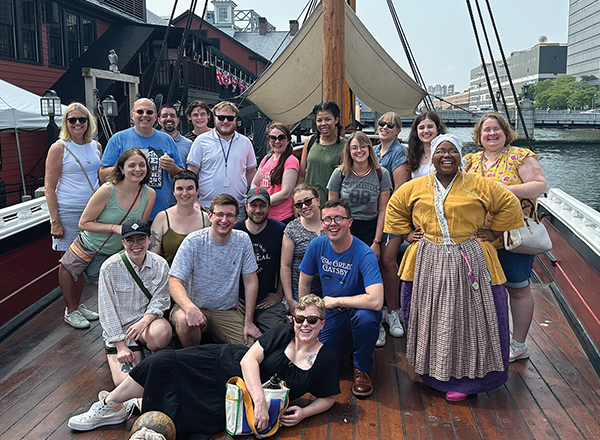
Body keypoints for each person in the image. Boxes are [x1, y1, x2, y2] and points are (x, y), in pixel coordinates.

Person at [67, 295, 340, 439]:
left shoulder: (325, 358)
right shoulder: (282, 333)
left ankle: (137, 406)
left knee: (193, 420)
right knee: (163, 361)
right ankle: (109, 406)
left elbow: (328, 397)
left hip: (237, 396)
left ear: (322, 324)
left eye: (312, 320)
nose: (305, 325)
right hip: (227, 364)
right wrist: (259, 402)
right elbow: (248, 360)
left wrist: (304, 412)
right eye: (300, 318)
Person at [384, 134, 524, 402]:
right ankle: (430, 373)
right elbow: (396, 208)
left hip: (468, 256)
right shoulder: (415, 186)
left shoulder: (478, 185)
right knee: (431, 317)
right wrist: (405, 234)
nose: (446, 156)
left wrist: (493, 232)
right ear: (432, 156)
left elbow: (509, 203)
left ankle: (467, 380)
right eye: (440, 151)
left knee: (467, 320)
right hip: (428, 259)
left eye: (452, 151)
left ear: (461, 156)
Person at [464, 112, 547, 362]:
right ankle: (488, 340)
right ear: (479, 136)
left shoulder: (520, 156)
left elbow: (539, 186)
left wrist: (503, 190)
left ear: (505, 132)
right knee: (482, 290)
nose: (491, 134)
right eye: (486, 130)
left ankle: (519, 344)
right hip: (479, 237)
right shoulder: (469, 161)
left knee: (518, 289)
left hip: (513, 238)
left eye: (496, 129)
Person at [58, 148, 156, 329]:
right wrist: (114, 228)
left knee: (110, 285)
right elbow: (84, 223)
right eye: (131, 165)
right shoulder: (106, 191)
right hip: (90, 243)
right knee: (69, 270)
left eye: (142, 165)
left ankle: (89, 311)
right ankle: (72, 310)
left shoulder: (149, 193)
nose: (137, 169)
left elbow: (140, 225)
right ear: (121, 169)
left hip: (117, 249)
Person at [299, 199, 384, 397]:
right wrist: (305, 316)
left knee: (366, 319)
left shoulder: (365, 254)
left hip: (357, 313)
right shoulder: (317, 245)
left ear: (350, 222)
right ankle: (352, 345)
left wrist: (337, 301)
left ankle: (362, 366)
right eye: (327, 219)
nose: (332, 223)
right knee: (311, 361)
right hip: (330, 317)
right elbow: (304, 283)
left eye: (338, 218)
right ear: (321, 224)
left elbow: (376, 300)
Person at [168, 193, 261, 348]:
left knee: (250, 348)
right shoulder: (193, 242)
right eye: (220, 214)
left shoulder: (243, 240)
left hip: (225, 310)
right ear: (210, 216)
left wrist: (249, 321)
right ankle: (193, 359)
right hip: (194, 305)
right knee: (184, 320)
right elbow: (174, 280)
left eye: (230, 215)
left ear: (236, 218)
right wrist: (189, 307)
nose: (224, 220)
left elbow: (251, 281)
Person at [45, 102, 102, 327]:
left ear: (89, 122)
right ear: (66, 123)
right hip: (69, 210)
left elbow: (101, 176)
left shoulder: (96, 146)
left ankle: (78, 304)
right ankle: (70, 310)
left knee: (84, 260)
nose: (78, 123)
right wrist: (55, 221)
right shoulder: (59, 147)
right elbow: (49, 186)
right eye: (72, 120)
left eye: (82, 119)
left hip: (94, 210)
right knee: (69, 263)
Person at [98, 219, 172, 386]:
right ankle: (132, 354)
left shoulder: (160, 264)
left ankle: (150, 351)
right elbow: (106, 309)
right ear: (123, 242)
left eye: (141, 239)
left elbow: (161, 299)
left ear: (149, 240)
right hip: (122, 331)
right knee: (127, 384)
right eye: (130, 240)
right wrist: (120, 346)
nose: (135, 245)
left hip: (146, 325)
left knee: (162, 332)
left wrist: (144, 322)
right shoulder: (109, 268)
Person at [98, 98, 184, 220]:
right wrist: (124, 166)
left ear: (155, 117)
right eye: (140, 112)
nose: (145, 115)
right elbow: (102, 175)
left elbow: (182, 176)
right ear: (132, 115)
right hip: (126, 211)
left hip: (159, 212)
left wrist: (173, 168)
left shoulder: (167, 139)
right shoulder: (118, 139)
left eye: (149, 112)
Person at [373, 112, 410, 343]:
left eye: (390, 125)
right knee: (374, 262)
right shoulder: (375, 151)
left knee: (387, 261)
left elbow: (400, 189)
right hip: (374, 214)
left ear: (397, 130)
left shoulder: (399, 152)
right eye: (381, 123)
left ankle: (393, 311)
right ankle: (377, 311)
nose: (384, 127)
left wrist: (388, 218)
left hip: (392, 215)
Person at [187, 101, 257, 218]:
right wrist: (194, 201)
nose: (225, 121)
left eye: (230, 118)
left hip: (238, 207)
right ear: (214, 118)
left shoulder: (245, 142)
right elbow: (191, 173)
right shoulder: (201, 141)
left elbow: (251, 173)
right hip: (207, 207)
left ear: (236, 119)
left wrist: (253, 199)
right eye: (221, 117)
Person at [327, 131, 392, 257]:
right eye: (354, 147)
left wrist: (376, 241)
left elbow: (383, 210)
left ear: (369, 148)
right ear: (349, 151)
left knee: (365, 268)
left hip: (370, 228)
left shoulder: (382, 174)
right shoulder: (339, 173)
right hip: (345, 227)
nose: (359, 151)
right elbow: (332, 209)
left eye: (363, 146)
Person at [234, 187, 287, 332]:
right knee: (240, 340)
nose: (258, 210)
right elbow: (223, 268)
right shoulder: (235, 230)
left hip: (266, 300)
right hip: (239, 302)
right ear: (246, 206)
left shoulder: (279, 230)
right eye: (253, 205)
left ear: (269, 207)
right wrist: (230, 298)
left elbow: (285, 265)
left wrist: (278, 295)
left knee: (280, 334)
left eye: (262, 205)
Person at [149, 170, 210, 266]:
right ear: (173, 191)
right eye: (180, 189)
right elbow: (153, 257)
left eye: (190, 188)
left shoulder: (206, 219)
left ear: (197, 191)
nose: (185, 193)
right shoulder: (162, 218)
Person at [281, 184, 324, 314]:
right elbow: (285, 266)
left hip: (329, 289)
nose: (304, 206)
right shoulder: (292, 229)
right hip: (301, 291)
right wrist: (289, 299)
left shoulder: (330, 222)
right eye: (299, 204)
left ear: (318, 200)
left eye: (308, 201)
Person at [298, 102, 346, 206]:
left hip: (330, 204)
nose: (323, 123)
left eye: (328, 119)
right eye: (319, 120)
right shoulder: (310, 141)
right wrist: (297, 201)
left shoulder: (345, 146)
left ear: (336, 120)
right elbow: (302, 174)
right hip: (307, 204)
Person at [251, 123, 299, 223]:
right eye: (273, 138)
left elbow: (285, 193)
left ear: (288, 140)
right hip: (264, 216)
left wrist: (262, 201)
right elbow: (255, 183)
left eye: (281, 138)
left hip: (281, 217)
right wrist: (255, 197)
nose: (277, 141)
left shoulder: (291, 160)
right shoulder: (266, 158)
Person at [405, 111, 448, 179]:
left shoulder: (446, 155)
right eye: (421, 128)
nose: (426, 131)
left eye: (430, 127)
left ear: (438, 129)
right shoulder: (413, 156)